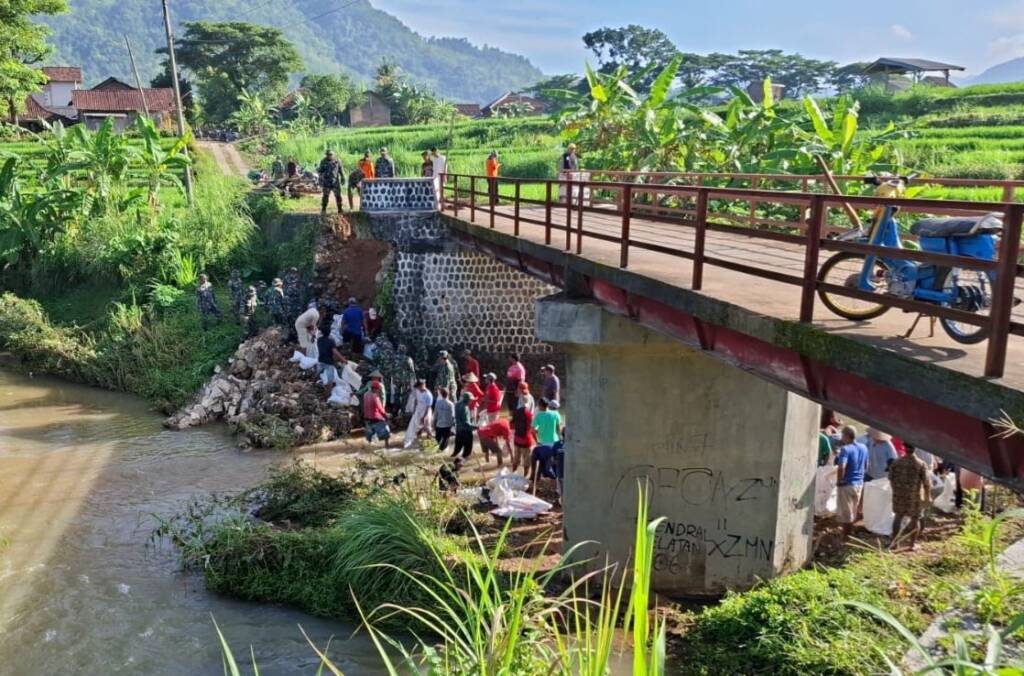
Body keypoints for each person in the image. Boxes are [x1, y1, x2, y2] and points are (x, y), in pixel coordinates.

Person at [888, 443, 932, 551]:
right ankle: (911, 545)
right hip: (914, 496)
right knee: (915, 518)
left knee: (898, 517)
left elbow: (891, 478)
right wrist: (927, 497)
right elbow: (926, 483)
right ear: (915, 449)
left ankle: (894, 544)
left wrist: (896, 490)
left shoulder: (896, 462)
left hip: (899, 495)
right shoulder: (920, 464)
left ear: (904, 447)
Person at [834, 425, 868, 540]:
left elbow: (841, 467)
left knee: (846, 513)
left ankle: (845, 537)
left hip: (847, 484)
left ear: (846, 436)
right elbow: (866, 465)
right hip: (859, 483)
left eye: (843, 435)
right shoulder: (863, 447)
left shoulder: (845, 449)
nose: (842, 438)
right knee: (854, 510)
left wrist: (839, 481)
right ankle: (850, 533)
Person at [403, 380, 434, 449]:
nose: (418, 389)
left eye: (418, 387)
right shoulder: (418, 391)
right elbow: (417, 401)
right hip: (418, 410)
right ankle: (413, 442)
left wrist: (424, 416)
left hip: (426, 412)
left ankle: (432, 445)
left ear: (422, 385)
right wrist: (414, 410)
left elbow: (428, 407)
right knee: (414, 426)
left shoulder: (428, 395)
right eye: (417, 387)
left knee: (428, 428)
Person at [363, 381, 391, 448]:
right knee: (386, 432)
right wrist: (386, 416)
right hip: (376, 418)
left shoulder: (366, 395)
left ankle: (369, 446)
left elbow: (364, 406)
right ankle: (387, 446)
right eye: (378, 389)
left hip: (367, 418)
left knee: (369, 434)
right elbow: (380, 409)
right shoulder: (375, 397)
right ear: (376, 389)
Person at [512, 395, 535, 473]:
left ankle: (512, 474)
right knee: (526, 460)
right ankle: (525, 476)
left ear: (521, 402)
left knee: (516, 458)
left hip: (517, 439)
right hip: (526, 440)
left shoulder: (516, 412)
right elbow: (531, 427)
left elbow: (512, 424)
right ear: (529, 403)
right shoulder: (529, 414)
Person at [316, 319, 344, 386]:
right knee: (330, 381)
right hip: (329, 362)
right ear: (329, 332)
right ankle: (328, 394)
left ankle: (314, 382)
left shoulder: (319, 340)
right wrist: (343, 359)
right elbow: (335, 352)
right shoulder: (331, 341)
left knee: (318, 374)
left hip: (320, 360)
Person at [452, 391, 477, 459]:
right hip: (466, 432)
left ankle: (453, 461)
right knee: (467, 452)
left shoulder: (457, 404)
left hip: (458, 431)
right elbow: (466, 423)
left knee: (456, 451)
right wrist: (476, 427)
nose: (471, 402)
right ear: (467, 400)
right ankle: (461, 465)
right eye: (470, 400)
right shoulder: (465, 408)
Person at [318, 150, 344, 215]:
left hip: (335, 182)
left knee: (338, 196)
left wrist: (343, 177)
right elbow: (320, 171)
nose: (329, 156)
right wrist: (320, 179)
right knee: (325, 196)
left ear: (333, 154)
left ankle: (340, 209)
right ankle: (323, 209)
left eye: (330, 155)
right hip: (326, 182)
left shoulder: (337, 161)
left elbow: (341, 170)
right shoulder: (323, 161)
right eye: (328, 155)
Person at [433, 387, 456, 453]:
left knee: (436, 441)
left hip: (439, 425)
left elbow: (435, 415)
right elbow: (453, 416)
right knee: (445, 442)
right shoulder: (451, 404)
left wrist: (434, 425)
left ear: (441, 394)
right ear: (448, 394)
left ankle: (434, 453)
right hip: (447, 426)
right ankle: (441, 453)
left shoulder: (438, 403)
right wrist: (453, 427)